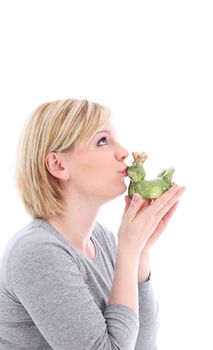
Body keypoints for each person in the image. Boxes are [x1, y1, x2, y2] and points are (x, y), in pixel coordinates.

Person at [0, 98, 185, 349]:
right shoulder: (36, 250)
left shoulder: (105, 241)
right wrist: (129, 249)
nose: (124, 152)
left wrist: (140, 254)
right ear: (58, 165)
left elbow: (141, 346)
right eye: (102, 141)